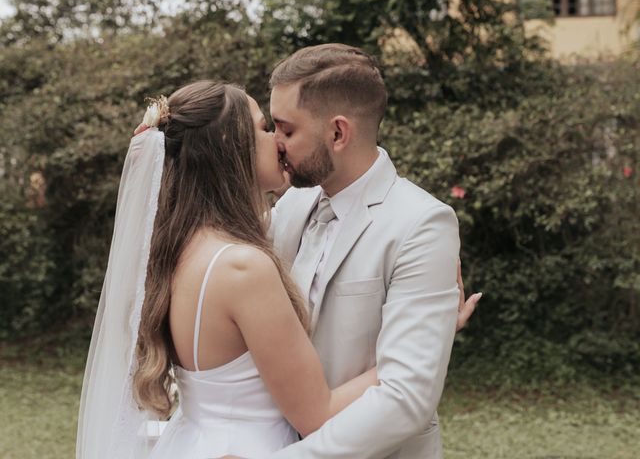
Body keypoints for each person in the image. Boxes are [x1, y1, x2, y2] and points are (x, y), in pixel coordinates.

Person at [77, 80, 380, 459]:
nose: (277, 141)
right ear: (229, 147)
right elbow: (318, 414)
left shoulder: (181, 249)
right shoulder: (242, 268)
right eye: (263, 128)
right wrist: (409, 350)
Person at [259, 43, 479, 459]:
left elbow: (405, 397)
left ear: (338, 133)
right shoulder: (290, 205)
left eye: (286, 129)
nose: (275, 143)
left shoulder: (422, 224)